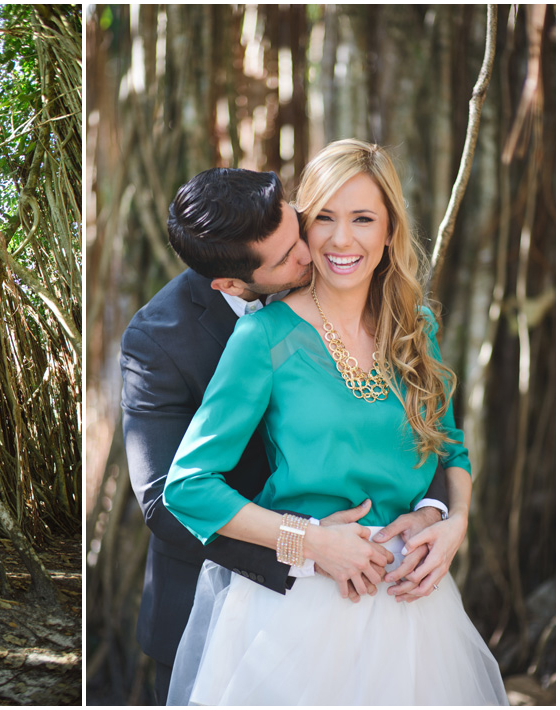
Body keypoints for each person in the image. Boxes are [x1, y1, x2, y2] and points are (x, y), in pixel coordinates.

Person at [163, 139, 508, 704]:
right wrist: (311, 542)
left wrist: (453, 521)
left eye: (363, 219)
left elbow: (451, 450)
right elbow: (188, 487)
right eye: (323, 217)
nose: (342, 239)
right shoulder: (263, 337)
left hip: (414, 602)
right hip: (303, 604)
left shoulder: (415, 325)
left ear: (390, 230)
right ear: (303, 226)